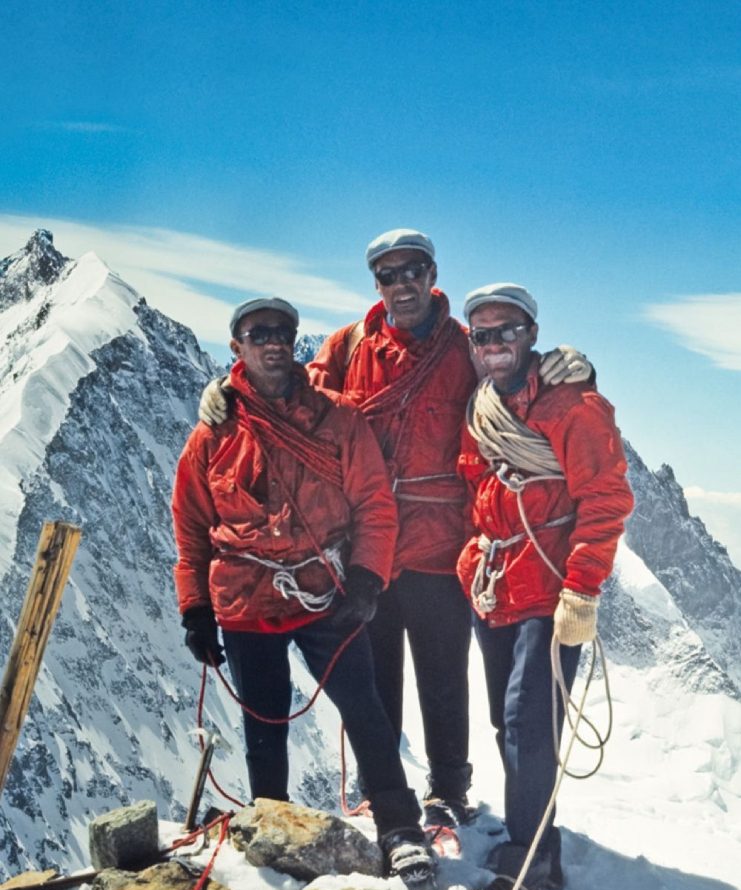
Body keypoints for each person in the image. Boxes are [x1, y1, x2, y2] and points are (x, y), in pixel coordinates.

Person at [198, 230, 592, 831]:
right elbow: (291, 390)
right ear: (376, 283)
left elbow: (517, 382)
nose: (402, 282)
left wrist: (573, 368)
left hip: (441, 546)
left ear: (432, 273)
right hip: (369, 551)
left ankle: (449, 789)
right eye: (388, 274)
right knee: (375, 687)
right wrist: (228, 387)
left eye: (413, 270)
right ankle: (389, 799)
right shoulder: (349, 345)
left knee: (442, 677)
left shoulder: (467, 346)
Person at [171, 296, 434, 887]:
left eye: (282, 331)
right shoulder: (211, 434)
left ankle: (399, 828)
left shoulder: (339, 417)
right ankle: (274, 832)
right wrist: (195, 608)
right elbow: (190, 530)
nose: (272, 341)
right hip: (245, 598)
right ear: (236, 347)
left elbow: (373, 502)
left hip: (325, 590)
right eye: (257, 332)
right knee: (265, 727)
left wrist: (368, 577)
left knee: (365, 711)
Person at [455, 283, 634, 890]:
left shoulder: (575, 407)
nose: (494, 344)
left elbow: (606, 500)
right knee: (514, 725)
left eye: (506, 332)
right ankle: (538, 843)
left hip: (551, 588)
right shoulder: (482, 407)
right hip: (497, 583)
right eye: (482, 335)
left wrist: (582, 589)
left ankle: (525, 871)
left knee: (530, 722)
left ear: (531, 335)